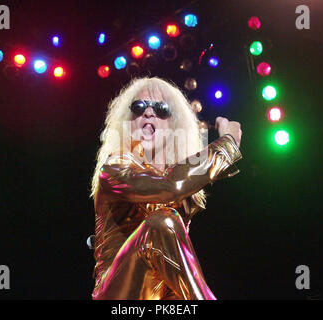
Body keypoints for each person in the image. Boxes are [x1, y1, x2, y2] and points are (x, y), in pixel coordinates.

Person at [89, 76, 242, 300]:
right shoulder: (115, 168)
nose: (148, 113)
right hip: (117, 296)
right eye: (139, 107)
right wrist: (227, 144)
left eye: (161, 109)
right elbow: (171, 185)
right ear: (128, 122)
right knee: (161, 223)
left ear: (174, 125)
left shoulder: (183, 193)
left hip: (162, 298)